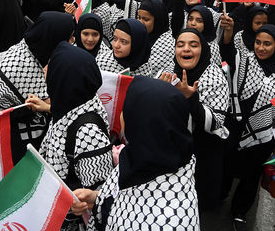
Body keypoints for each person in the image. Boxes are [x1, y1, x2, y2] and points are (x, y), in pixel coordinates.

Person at [72, 76, 200, 230]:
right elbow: (124, 197)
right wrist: (96, 199)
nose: (120, 114)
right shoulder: (138, 156)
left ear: (138, 122)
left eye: (126, 109)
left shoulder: (171, 221)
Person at [221, 24, 275, 229]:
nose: (261, 48)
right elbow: (227, 52)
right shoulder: (245, 60)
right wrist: (227, 33)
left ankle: (239, 211)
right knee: (227, 165)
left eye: (267, 44)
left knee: (251, 174)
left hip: (264, 133)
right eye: (258, 43)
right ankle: (220, 196)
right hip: (235, 123)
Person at [40, 42, 113, 230]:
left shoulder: (88, 131)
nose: (45, 69)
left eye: (51, 66)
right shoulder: (69, 102)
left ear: (64, 77)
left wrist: (79, 201)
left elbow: (99, 193)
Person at [0, 11, 75, 157]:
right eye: (69, 37)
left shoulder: (30, 46)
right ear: (54, 38)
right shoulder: (23, 68)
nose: (73, 41)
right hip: (13, 135)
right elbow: (59, 107)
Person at [160, 28, 229, 212]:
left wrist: (190, 99)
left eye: (193, 45)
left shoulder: (214, 77)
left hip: (202, 155)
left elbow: (215, 123)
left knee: (194, 208)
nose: (186, 49)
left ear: (203, 49)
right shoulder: (167, 73)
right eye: (180, 45)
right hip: (172, 154)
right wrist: (160, 92)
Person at [137, 0, 175, 76]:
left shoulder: (166, 45)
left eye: (146, 19)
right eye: (139, 17)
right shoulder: (139, 36)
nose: (140, 22)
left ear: (158, 20)